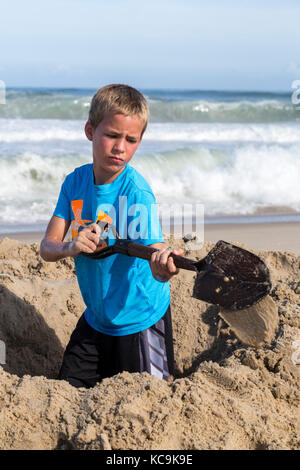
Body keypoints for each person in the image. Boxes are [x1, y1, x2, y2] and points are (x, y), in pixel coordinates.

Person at [40, 84, 183, 388]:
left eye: (131, 140)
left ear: (139, 142)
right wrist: (71, 247)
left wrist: (162, 266)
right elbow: (47, 247)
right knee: (66, 392)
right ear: (90, 130)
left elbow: (154, 249)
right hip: (97, 319)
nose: (120, 147)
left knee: (148, 401)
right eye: (112, 135)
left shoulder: (136, 192)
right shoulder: (74, 183)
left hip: (140, 319)